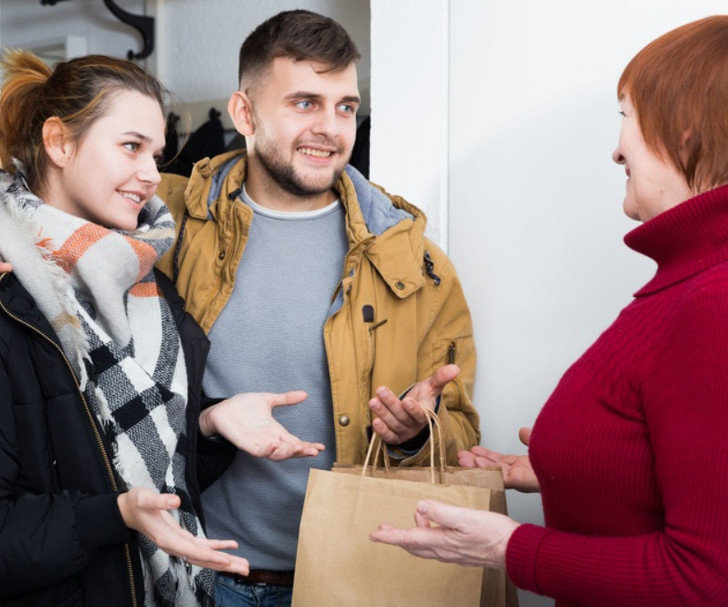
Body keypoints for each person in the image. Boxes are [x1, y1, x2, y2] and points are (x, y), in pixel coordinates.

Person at [370, 15, 728, 607]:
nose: (616, 150)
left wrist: (509, 549)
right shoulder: (687, 287)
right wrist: (573, 468)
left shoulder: (712, 303)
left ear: (685, 134)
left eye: (627, 119)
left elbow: (706, 579)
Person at [155, 9, 481, 605]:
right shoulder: (168, 226)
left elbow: (460, 432)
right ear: (244, 113)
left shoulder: (414, 262)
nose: (330, 128)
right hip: (198, 572)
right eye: (305, 103)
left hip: (356, 578)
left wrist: (415, 435)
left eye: (346, 106)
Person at [0, 50, 320, 607]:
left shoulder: (147, 282)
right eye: (131, 146)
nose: (152, 175)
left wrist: (212, 423)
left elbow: (153, 456)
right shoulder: (9, 298)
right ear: (59, 143)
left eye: (157, 153)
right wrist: (116, 514)